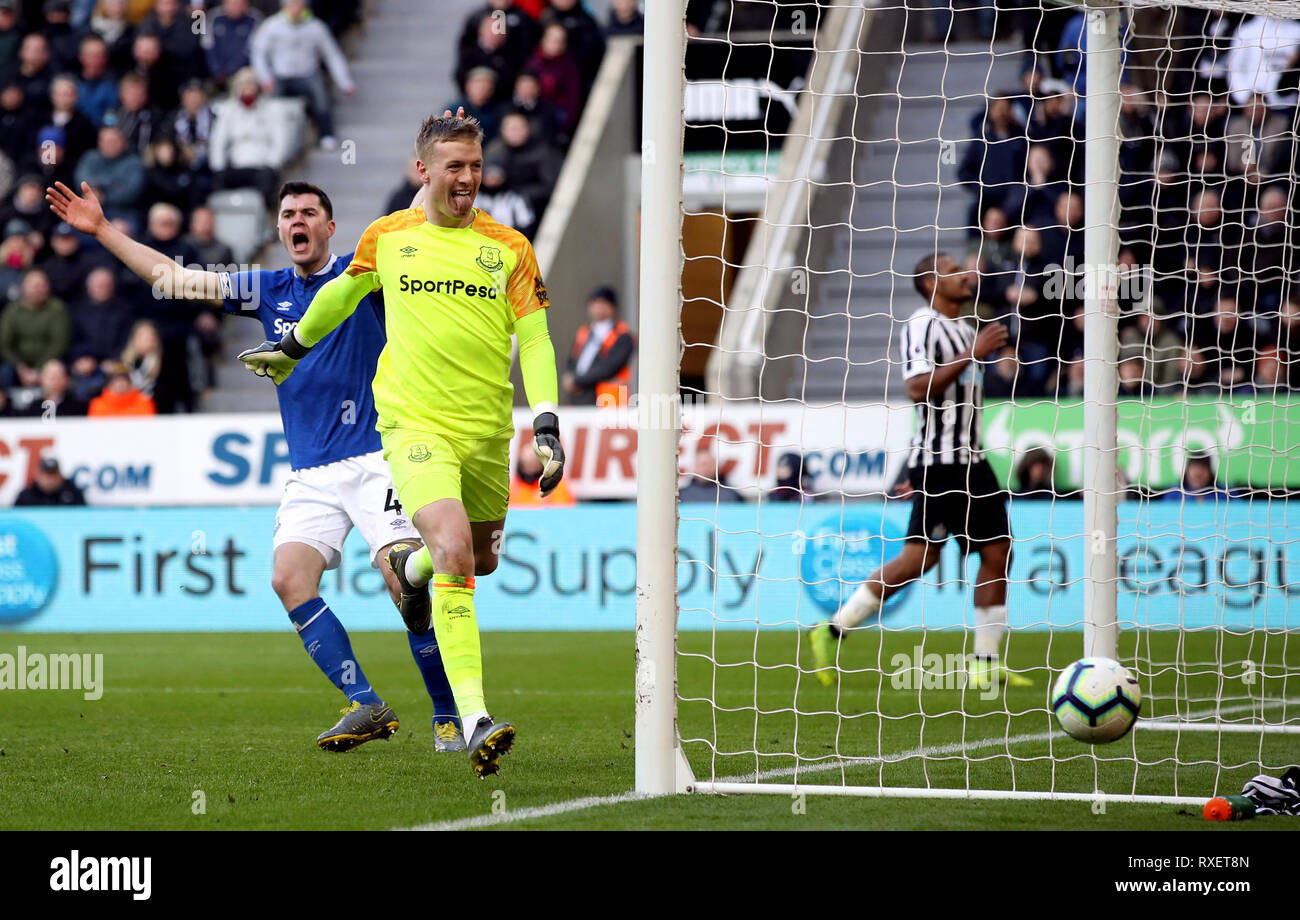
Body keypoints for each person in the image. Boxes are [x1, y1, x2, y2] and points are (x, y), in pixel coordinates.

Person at [47, 176, 465, 756]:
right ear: (278, 229)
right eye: (288, 212)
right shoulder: (266, 290)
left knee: (403, 583)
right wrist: (101, 230)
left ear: (329, 227)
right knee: (288, 580)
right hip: (311, 472)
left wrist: (437, 166)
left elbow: (414, 222)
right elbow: (175, 279)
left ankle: (450, 717)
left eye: (309, 212)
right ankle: (365, 703)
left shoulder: (360, 273)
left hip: (376, 458)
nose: (297, 220)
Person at [238, 112, 567, 778]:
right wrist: (293, 348)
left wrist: (547, 422)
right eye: (455, 167)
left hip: (485, 433)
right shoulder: (388, 237)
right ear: (424, 172)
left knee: (472, 561)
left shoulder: (511, 248)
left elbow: (533, 339)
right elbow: (339, 294)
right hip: (413, 427)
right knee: (451, 551)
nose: (467, 178)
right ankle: (471, 720)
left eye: (475, 166)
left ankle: (411, 577)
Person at [809, 253, 1031, 690]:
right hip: (940, 463)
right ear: (930, 283)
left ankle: (984, 663)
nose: (966, 275)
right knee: (919, 559)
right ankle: (832, 629)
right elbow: (916, 389)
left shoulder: (967, 329)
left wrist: (972, 349)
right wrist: (973, 354)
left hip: (973, 461)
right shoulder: (922, 324)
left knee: (999, 552)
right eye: (952, 271)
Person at [249, 0, 355, 149]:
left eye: (299, 5)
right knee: (271, 105)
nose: (296, 9)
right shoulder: (271, 26)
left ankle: (326, 134)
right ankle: (268, 137)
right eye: (292, 5)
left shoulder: (315, 27)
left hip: (307, 74)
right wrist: (265, 78)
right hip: (280, 75)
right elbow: (258, 54)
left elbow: (332, 55)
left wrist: (345, 82)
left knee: (321, 99)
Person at [562, 284, 632, 406]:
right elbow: (572, 360)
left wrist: (577, 381)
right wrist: (568, 376)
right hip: (579, 398)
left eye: (602, 303)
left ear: (612, 307)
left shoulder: (623, 335)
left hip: (607, 401)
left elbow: (609, 368)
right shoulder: (583, 333)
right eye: (594, 302)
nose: (597, 307)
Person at [510, 445, 574, 506]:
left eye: (533, 466)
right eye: (526, 466)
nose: (529, 471)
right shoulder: (513, 486)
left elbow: (564, 510)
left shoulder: (556, 484)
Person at [14, 455, 86, 506]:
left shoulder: (74, 494)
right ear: (38, 475)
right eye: (47, 474)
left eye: (53, 474)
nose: (50, 479)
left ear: (60, 475)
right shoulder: (26, 497)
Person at [87, 360, 155, 415]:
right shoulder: (97, 405)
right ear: (109, 384)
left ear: (130, 383)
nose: (120, 384)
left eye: (124, 379)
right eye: (116, 380)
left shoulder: (144, 403)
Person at [1164, 454, 1233, 503]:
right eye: (1194, 468)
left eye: (1203, 468)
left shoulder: (1225, 493)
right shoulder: (1174, 493)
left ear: (1210, 473)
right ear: (1186, 471)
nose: (1198, 473)